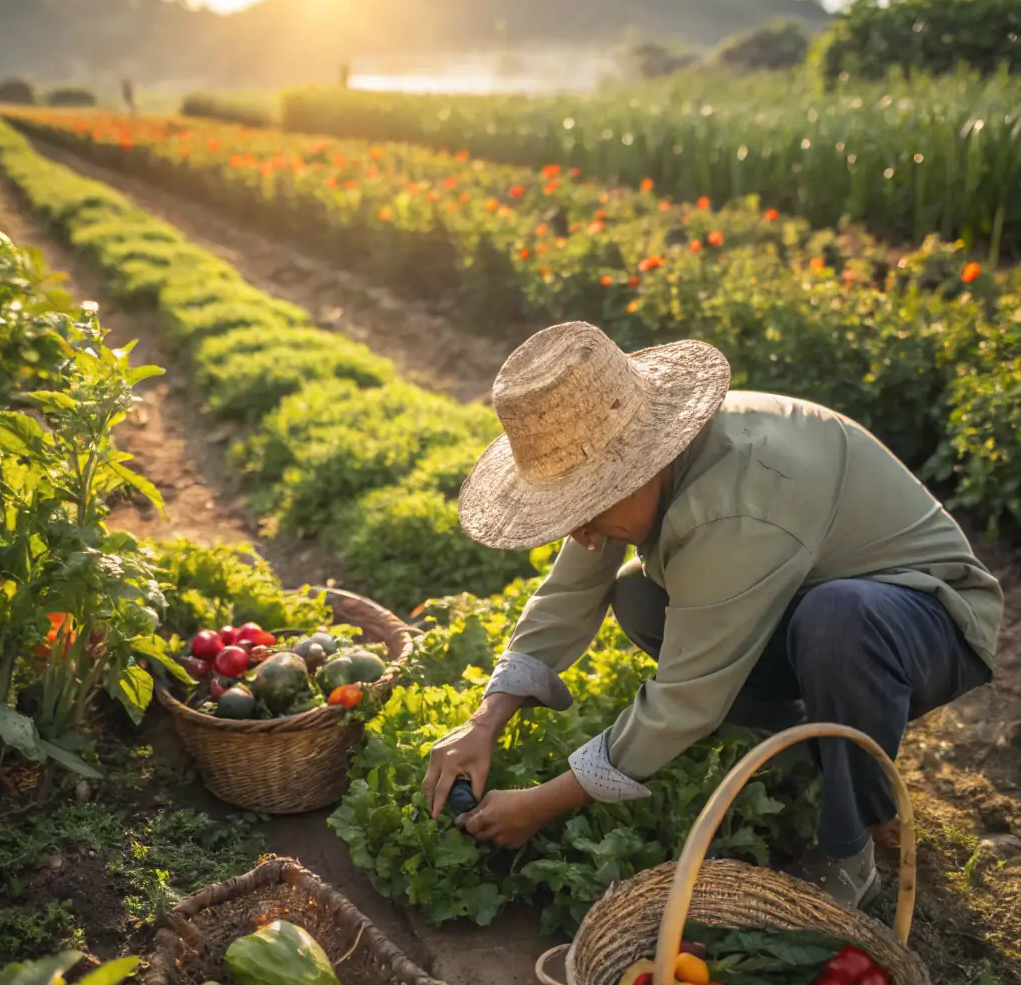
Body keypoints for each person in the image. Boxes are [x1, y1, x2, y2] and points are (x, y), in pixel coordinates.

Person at [422, 322, 1002, 908]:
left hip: (928, 616)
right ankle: (804, 743)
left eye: (586, 506)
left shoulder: (738, 507)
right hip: (810, 594)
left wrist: (541, 803)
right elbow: (571, 590)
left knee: (838, 620)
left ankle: (849, 844)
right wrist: (485, 722)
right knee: (638, 595)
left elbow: (684, 699)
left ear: (640, 465)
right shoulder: (645, 464)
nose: (579, 529)